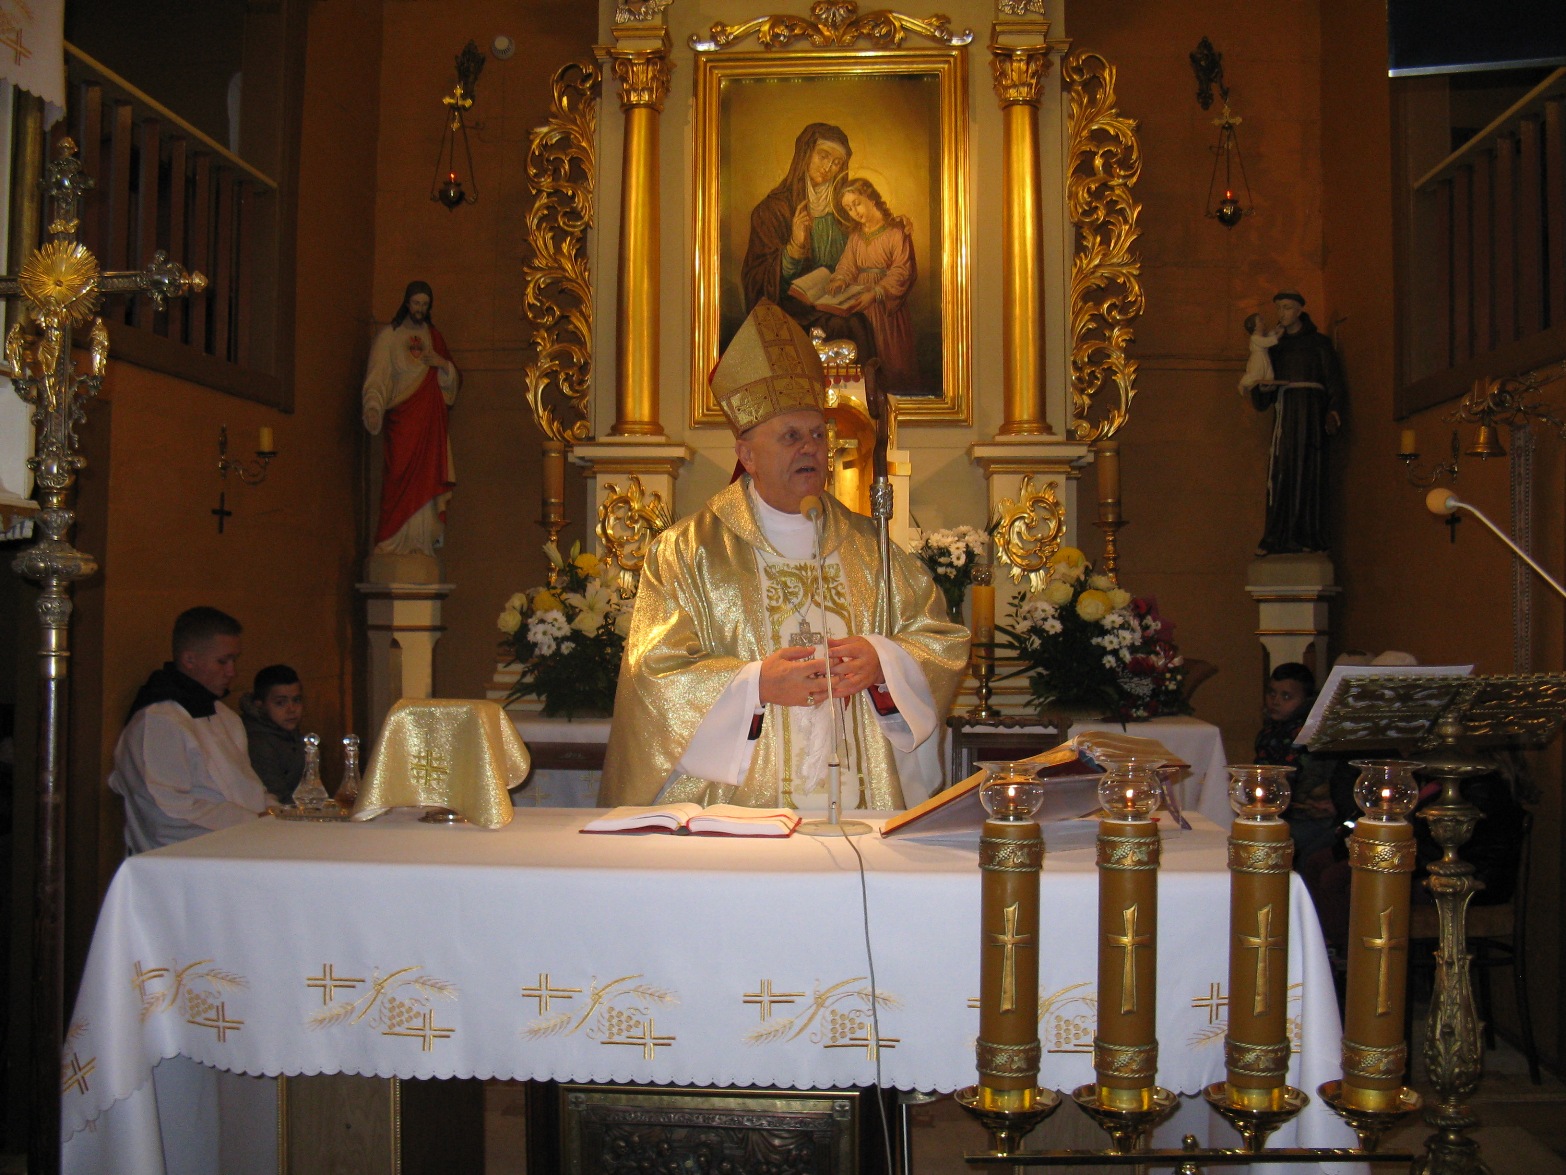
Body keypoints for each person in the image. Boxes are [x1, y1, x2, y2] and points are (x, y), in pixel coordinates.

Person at [600, 299, 968, 812]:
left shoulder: (872, 548)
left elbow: (940, 642)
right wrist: (755, 685)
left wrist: (884, 662)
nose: (811, 448)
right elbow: (653, 676)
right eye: (791, 436)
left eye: (818, 434)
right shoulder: (686, 552)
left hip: (860, 811)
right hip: (739, 813)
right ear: (747, 455)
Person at [108, 607, 270, 854]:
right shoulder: (158, 722)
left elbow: (248, 790)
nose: (232, 672)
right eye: (223, 661)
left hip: (242, 845)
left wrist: (279, 814)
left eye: (234, 660)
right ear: (189, 659)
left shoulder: (224, 715)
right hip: (186, 858)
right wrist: (253, 822)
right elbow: (165, 813)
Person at [739, 123, 876, 362]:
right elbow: (756, 280)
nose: (828, 167)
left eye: (836, 163)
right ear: (805, 154)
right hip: (792, 312)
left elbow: (866, 244)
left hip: (837, 303)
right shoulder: (772, 210)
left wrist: (892, 226)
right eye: (823, 156)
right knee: (845, 327)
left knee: (857, 323)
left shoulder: (845, 210)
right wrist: (793, 248)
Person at [362, 280, 460, 558]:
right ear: (406, 303)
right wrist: (373, 407)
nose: (420, 309)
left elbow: (451, 386)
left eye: (425, 305)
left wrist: (442, 365)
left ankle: (421, 542)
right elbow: (377, 378)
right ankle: (391, 541)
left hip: (429, 424)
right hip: (402, 423)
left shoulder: (434, 338)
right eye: (416, 303)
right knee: (397, 478)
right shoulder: (389, 337)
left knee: (426, 479)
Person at [1248, 290, 1344, 554]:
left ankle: (1309, 536)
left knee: (1310, 473)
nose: (1282, 314)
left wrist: (1333, 411)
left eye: (1287, 308)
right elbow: (1261, 383)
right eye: (1279, 308)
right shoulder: (1274, 346)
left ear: (1300, 310)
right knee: (1282, 473)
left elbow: (1335, 383)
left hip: (1311, 418)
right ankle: (1278, 537)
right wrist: (1263, 389)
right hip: (1286, 417)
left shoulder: (1319, 344)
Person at [827, 177, 918, 391]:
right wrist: (840, 278)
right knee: (865, 350)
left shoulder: (896, 232)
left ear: (871, 199)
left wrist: (877, 292)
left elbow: (902, 270)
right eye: (848, 208)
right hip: (861, 305)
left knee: (889, 356)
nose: (854, 211)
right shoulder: (856, 237)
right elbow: (848, 264)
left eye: (857, 203)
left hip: (886, 306)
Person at [1253, 662, 1345, 868]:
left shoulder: (1310, 735)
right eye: (1271, 693)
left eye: (1286, 696)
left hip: (1311, 817)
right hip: (1281, 811)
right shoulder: (1269, 732)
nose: (1275, 701)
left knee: (1274, 847)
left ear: (1306, 700)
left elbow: (1301, 779)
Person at [240, 664, 304, 804]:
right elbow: (277, 796)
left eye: (297, 700)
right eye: (280, 703)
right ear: (260, 705)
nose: (292, 709)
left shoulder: (289, 732)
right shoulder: (257, 742)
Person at [1238, 311, 1279, 394]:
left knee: (1268, 373)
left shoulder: (1261, 337)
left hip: (1264, 357)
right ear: (1255, 327)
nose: (1263, 322)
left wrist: (1275, 331)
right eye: (1260, 320)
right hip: (1258, 359)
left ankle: (1267, 385)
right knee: (1256, 374)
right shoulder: (1254, 338)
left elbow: (1268, 337)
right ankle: (1243, 384)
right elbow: (1266, 342)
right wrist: (1278, 336)